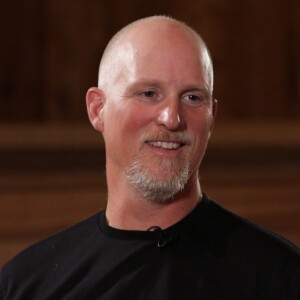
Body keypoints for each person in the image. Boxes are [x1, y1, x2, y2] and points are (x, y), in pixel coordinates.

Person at [1, 15, 299, 300]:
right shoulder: (26, 284)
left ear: (212, 118)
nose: (172, 118)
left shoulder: (280, 276)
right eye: (148, 93)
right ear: (97, 109)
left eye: (192, 97)